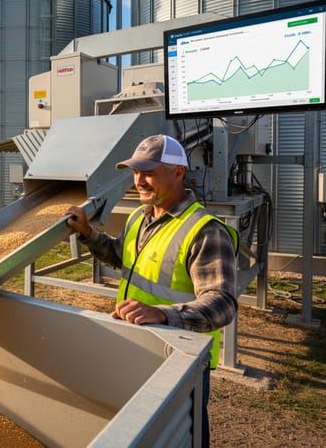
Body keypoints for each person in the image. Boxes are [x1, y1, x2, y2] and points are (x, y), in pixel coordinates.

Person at [64, 134, 237, 448]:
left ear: (178, 173)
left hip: (180, 359)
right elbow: (121, 256)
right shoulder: (138, 218)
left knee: (182, 436)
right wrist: (88, 233)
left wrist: (162, 315)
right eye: (135, 172)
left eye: (149, 172)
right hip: (136, 345)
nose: (139, 180)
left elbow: (222, 303)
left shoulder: (205, 230)